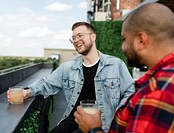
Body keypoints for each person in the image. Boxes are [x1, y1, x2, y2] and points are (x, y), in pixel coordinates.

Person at [7, 22, 135, 133]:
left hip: (104, 124)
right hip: (74, 120)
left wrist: (118, 114)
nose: (76, 40)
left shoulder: (115, 64)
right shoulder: (67, 68)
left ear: (93, 36)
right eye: (73, 38)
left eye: (80, 35)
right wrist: (27, 91)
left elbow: (130, 92)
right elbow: (47, 83)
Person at [74, 3, 174, 133]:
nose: (122, 47)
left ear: (141, 40)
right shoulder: (163, 78)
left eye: (124, 39)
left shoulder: (157, 92)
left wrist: (93, 128)